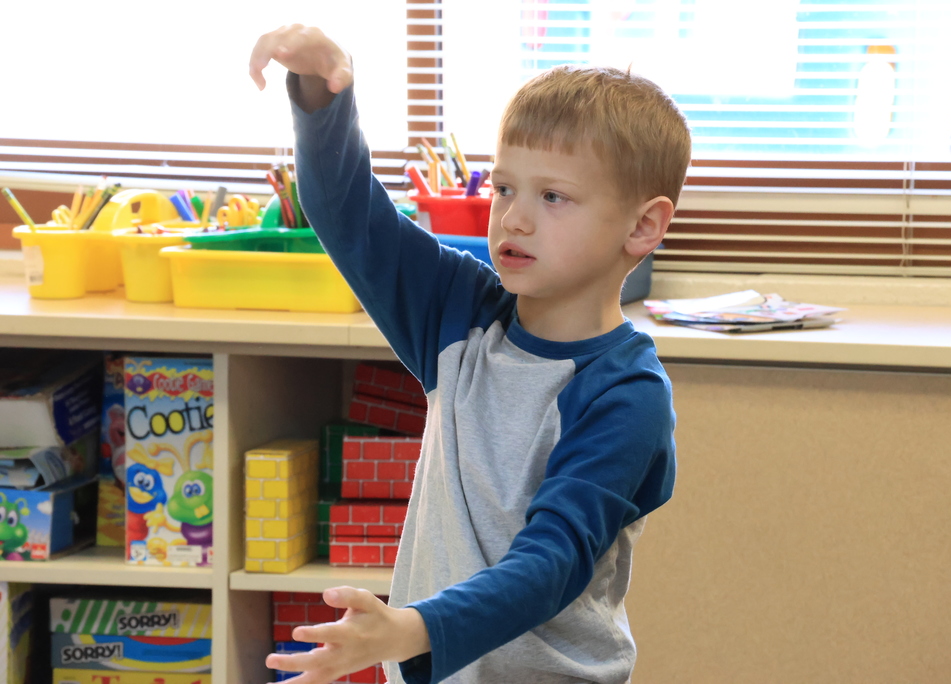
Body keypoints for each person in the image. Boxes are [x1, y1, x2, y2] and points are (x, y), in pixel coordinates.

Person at [250, 23, 690, 684]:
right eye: (504, 188)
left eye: (552, 197)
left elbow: (551, 562)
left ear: (643, 226)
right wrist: (322, 91)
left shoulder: (626, 394)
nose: (512, 218)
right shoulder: (461, 312)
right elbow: (347, 215)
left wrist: (414, 628)